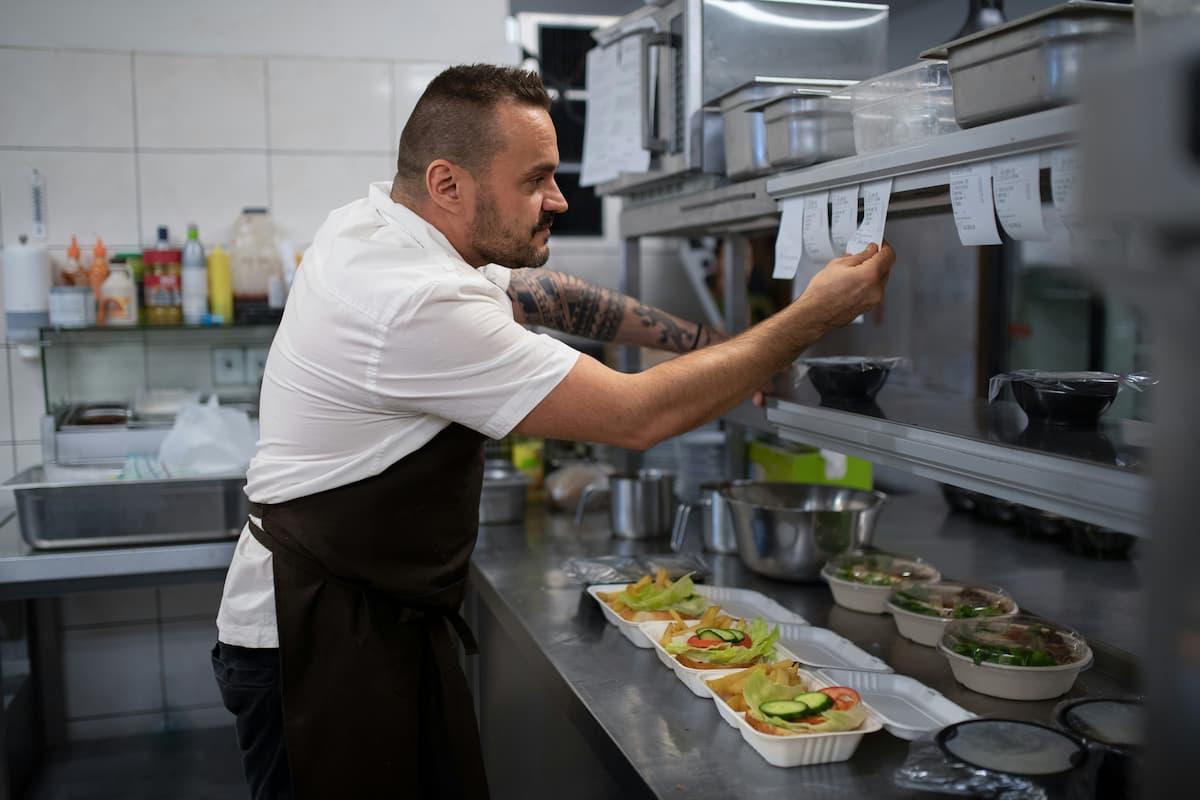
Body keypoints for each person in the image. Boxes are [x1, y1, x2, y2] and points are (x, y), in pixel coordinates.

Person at [212, 64, 894, 800]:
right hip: (314, 646)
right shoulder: (411, 302)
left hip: (366, 623)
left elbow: (546, 294)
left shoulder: (381, 225)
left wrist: (703, 340)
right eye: (536, 180)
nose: (560, 200)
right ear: (447, 184)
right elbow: (637, 417)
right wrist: (809, 318)